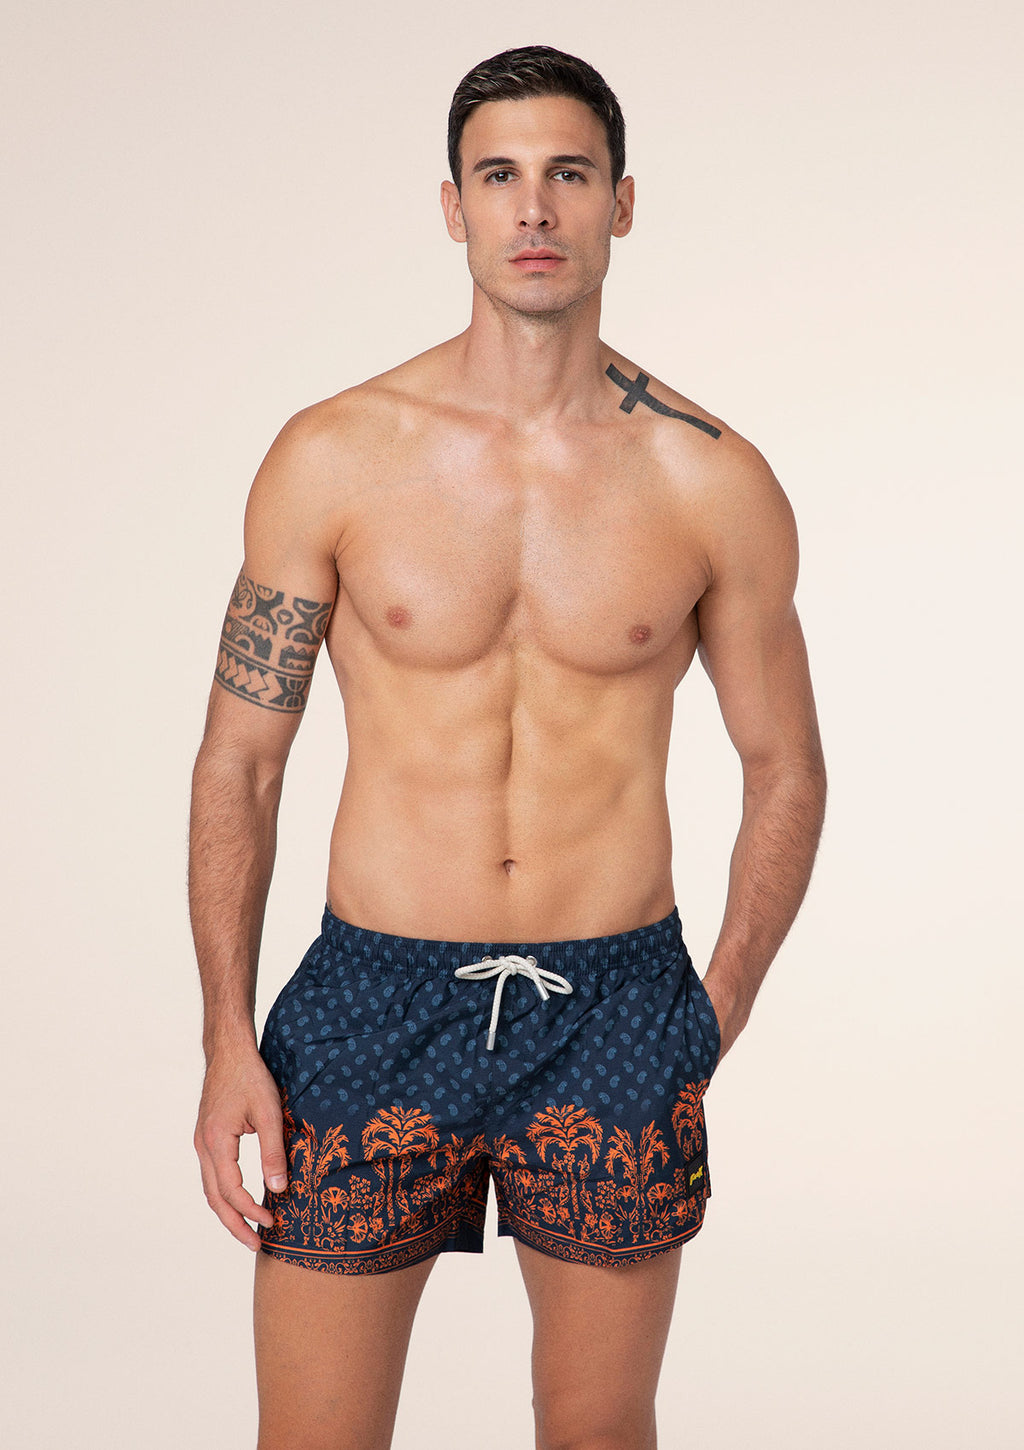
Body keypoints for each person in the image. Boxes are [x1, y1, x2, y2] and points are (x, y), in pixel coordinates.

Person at [189, 42, 827, 1450]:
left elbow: (785, 763)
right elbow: (241, 761)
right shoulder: (334, 455)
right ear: (453, 207)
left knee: (598, 1429)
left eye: (569, 174)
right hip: (370, 999)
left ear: (622, 203)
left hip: (614, 1002)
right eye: (499, 176)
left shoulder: (712, 479)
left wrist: (713, 1002)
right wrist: (227, 1033)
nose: (534, 208)